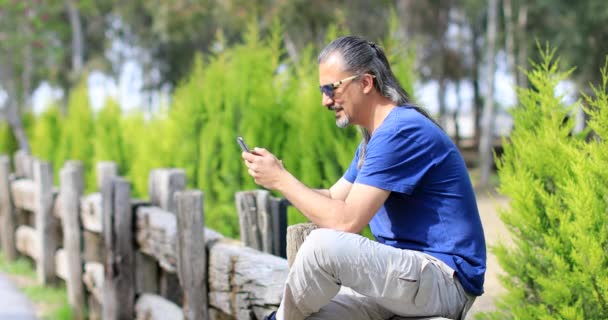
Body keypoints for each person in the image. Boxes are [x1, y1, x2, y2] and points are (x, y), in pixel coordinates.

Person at [241, 35, 486, 320]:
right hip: (408, 282)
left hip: (443, 280)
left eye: (330, 88)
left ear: (366, 83)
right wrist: (280, 178)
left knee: (321, 246)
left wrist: (281, 180)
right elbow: (334, 197)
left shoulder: (401, 131)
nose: (324, 100)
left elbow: (345, 222)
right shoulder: (376, 138)